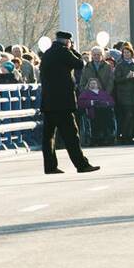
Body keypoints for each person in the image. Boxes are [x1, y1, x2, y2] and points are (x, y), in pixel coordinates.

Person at [39, 31, 98, 175]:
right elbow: (79, 64)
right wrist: (73, 50)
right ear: (67, 42)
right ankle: (81, 164)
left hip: (48, 102)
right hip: (63, 103)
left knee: (48, 137)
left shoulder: (47, 53)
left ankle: (50, 166)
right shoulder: (64, 52)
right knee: (71, 135)